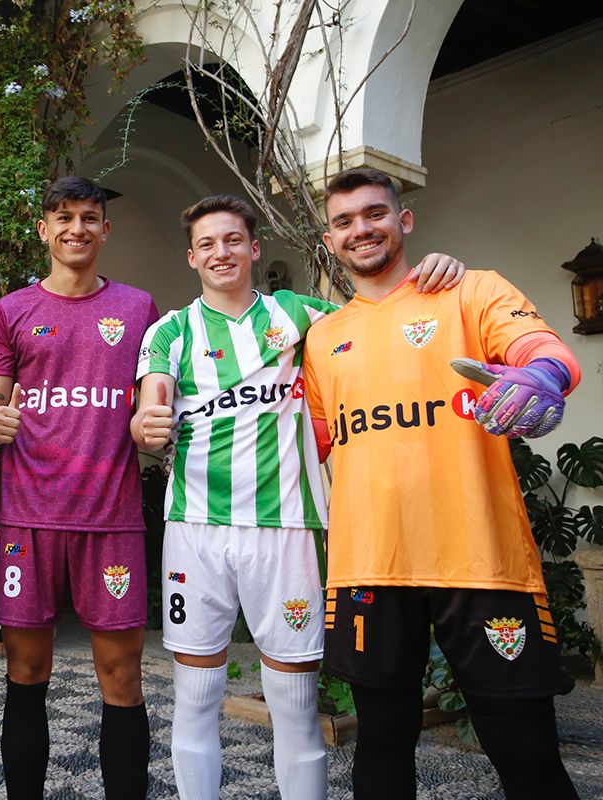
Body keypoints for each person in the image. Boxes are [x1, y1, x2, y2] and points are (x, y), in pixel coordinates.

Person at [130, 194, 465, 800]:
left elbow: (377, 317)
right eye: (207, 244)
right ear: (191, 258)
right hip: (195, 530)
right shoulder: (169, 331)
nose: (221, 252)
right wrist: (146, 423)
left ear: (254, 249)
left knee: (294, 700)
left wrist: (432, 276)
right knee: (196, 695)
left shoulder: (301, 314)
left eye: (232, 240)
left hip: (288, 527)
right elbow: (149, 404)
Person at [304, 167, 581, 799]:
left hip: (480, 563)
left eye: (375, 213)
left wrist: (539, 376)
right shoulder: (323, 337)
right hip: (370, 569)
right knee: (380, 749)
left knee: (526, 751)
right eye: (344, 221)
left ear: (405, 220)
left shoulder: (471, 290)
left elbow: (545, 350)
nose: (360, 229)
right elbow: (313, 442)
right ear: (329, 241)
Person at [0, 175, 159, 799]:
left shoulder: (138, 309)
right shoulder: (11, 311)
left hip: (111, 519)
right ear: (44, 230)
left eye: (88, 217)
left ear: (105, 230)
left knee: (123, 675)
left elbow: (148, 403)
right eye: (63, 217)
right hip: (29, 517)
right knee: (26, 670)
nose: (75, 229)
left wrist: (152, 428)